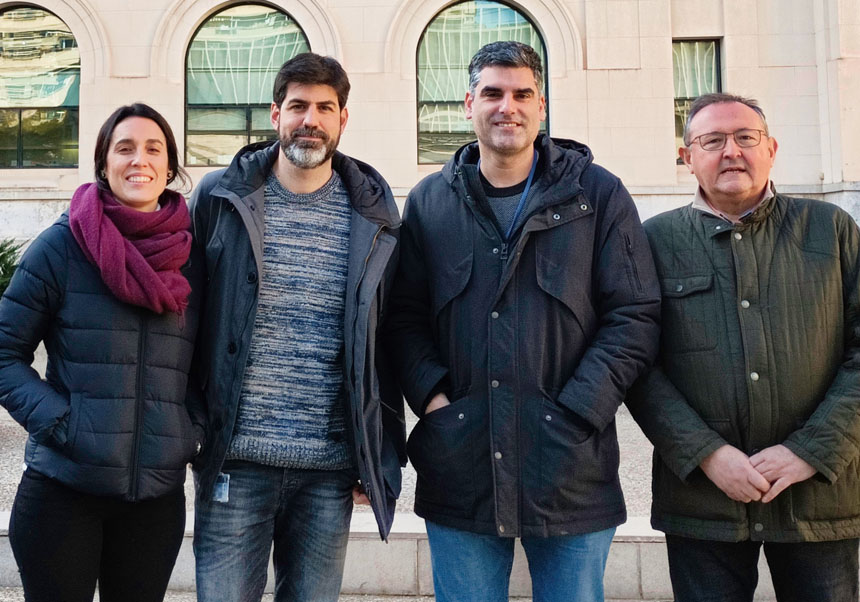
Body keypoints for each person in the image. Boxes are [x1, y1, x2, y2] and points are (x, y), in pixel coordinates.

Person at [384, 41, 661, 601]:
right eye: (492, 93)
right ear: (468, 104)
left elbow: (634, 313)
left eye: (521, 94)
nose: (506, 106)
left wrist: (578, 410)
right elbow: (403, 317)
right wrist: (436, 402)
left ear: (541, 106)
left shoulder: (597, 194)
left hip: (571, 467)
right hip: (461, 466)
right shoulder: (430, 201)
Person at [628, 92, 860, 602]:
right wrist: (707, 454)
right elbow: (637, 364)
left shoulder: (832, 231)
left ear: (771, 148)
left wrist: (808, 452)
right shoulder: (652, 242)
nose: (730, 151)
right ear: (687, 157)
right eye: (711, 141)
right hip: (703, 502)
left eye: (745, 137)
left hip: (819, 496)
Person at [189, 52, 404, 602]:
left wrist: (377, 455)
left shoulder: (374, 216)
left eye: (324, 108)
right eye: (298, 106)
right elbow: (186, 317)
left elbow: (383, 343)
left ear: (343, 119)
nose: (310, 119)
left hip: (328, 472)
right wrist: (190, 429)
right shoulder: (220, 199)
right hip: (235, 461)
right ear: (275, 114)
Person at [0, 103, 204, 602]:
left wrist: (189, 429)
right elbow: (4, 352)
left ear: (171, 167)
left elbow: (209, 362)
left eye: (153, 149)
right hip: (63, 492)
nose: (140, 160)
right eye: (125, 148)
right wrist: (62, 422)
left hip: (155, 500)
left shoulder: (194, 257)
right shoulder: (61, 248)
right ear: (103, 163)